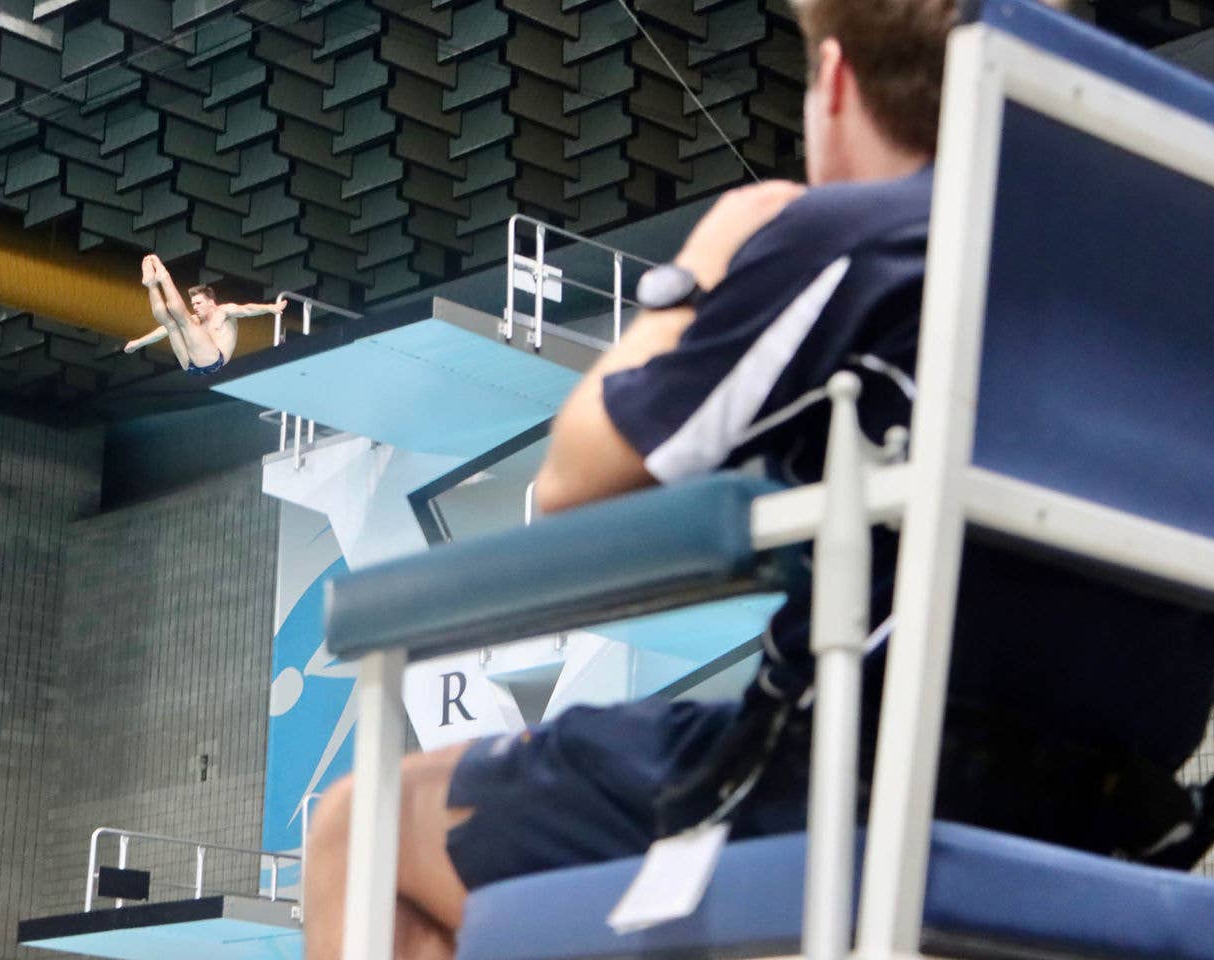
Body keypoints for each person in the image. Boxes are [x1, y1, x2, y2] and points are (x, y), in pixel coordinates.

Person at [303, 1, 1214, 958]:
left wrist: (698, 268)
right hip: (1121, 830)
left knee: (362, 825)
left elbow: (576, 479)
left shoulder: (864, 236)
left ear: (831, 84)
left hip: (840, 800)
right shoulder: (1173, 315)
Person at [124, 253, 287, 375]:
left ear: (211, 302)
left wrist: (271, 308)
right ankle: (151, 285)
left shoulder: (224, 312)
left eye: (199, 303)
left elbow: (247, 309)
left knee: (183, 319)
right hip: (189, 365)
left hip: (213, 361)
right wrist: (138, 343)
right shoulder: (196, 320)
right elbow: (162, 331)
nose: (195, 307)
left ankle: (164, 277)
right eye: (193, 303)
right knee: (170, 324)